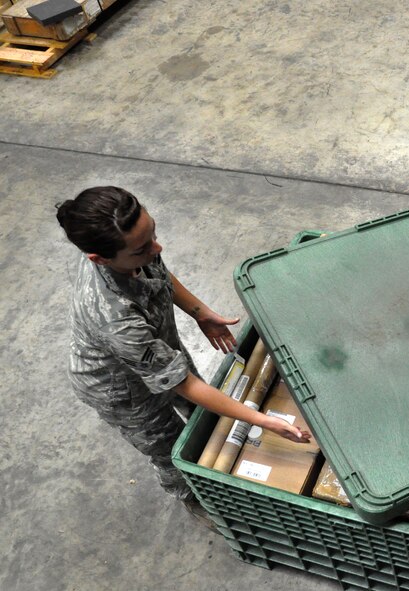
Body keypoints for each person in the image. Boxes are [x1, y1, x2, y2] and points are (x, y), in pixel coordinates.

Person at [56, 186, 311, 519]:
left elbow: (157, 273)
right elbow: (183, 383)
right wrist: (263, 420)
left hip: (157, 347)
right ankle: (193, 498)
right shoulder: (114, 316)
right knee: (168, 444)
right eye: (143, 248)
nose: (157, 249)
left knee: (201, 412)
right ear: (99, 259)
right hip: (119, 387)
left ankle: (215, 454)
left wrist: (199, 311)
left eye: (154, 235)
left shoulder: (128, 249)